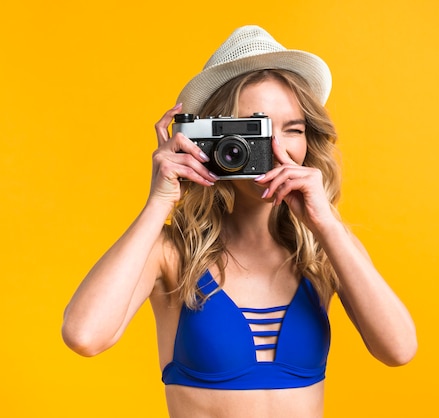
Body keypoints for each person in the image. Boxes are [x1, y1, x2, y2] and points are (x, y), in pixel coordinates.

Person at [62, 25, 417, 418]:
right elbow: (84, 336)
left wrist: (327, 225)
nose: (276, 149)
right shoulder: (171, 255)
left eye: (293, 130)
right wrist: (158, 202)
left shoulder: (323, 251)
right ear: (217, 141)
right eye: (254, 132)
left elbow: (398, 350)